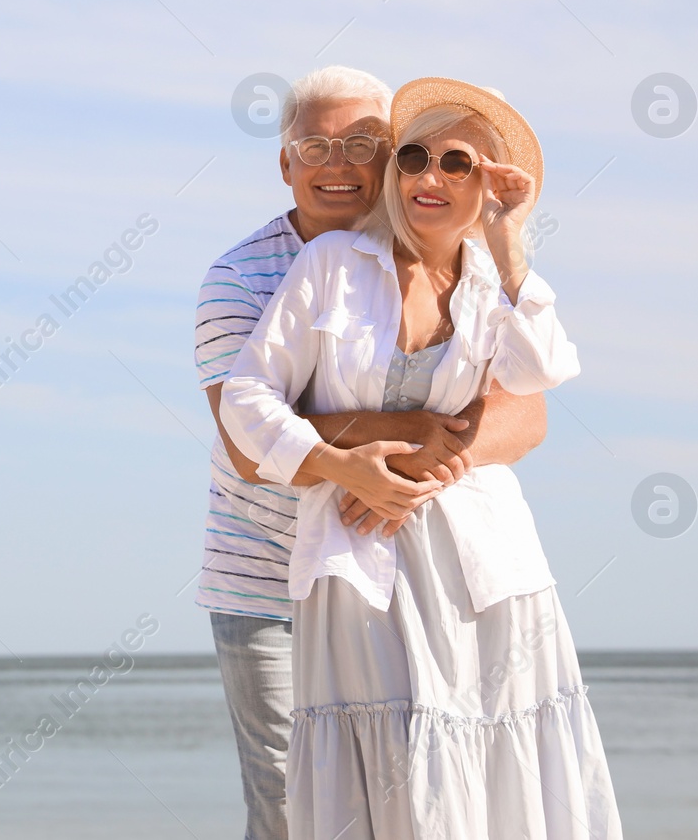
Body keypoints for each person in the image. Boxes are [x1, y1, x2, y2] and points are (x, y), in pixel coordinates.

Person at [220, 78, 623, 838]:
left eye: (456, 163)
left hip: (484, 574)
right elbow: (245, 401)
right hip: (358, 566)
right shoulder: (333, 265)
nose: (428, 177)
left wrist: (509, 251)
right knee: (395, 788)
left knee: (503, 785)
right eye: (412, 157)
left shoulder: (488, 289)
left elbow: (539, 377)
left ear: (491, 182)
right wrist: (345, 467)